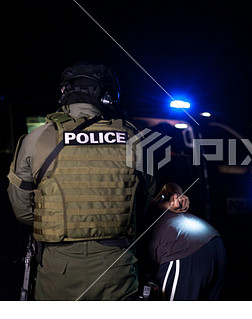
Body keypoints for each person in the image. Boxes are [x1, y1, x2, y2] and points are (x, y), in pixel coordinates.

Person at [7, 63, 188, 300]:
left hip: (56, 271)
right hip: (116, 271)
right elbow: (143, 202)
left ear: (64, 93)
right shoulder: (134, 139)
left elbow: (23, 211)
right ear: (108, 96)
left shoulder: (36, 138)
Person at [142, 182, 227, 301]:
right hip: (214, 242)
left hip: (184, 248)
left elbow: (171, 188)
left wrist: (171, 199)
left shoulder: (138, 205)